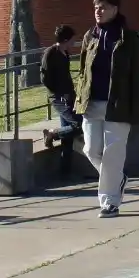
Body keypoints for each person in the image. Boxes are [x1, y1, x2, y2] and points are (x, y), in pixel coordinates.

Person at [78, 0, 139, 218]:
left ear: (115, 9)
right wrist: (79, 98)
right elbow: (82, 72)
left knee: (113, 154)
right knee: (90, 149)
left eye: (104, 7)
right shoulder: (91, 36)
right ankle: (117, 179)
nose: (99, 11)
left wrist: (136, 108)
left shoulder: (129, 38)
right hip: (92, 102)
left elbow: (138, 76)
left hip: (118, 104)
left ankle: (109, 202)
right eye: (96, 7)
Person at [41, 25, 81, 174]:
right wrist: (59, 92)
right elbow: (45, 77)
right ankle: (52, 133)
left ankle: (65, 170)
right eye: (72, 39)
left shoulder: (65, 53)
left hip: (69, 96)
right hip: (59, 97)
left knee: (69, 135)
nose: (74, 42)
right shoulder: (51, 53)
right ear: (65, 39)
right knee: (78, 125)